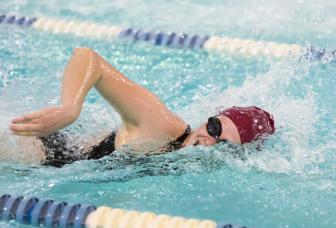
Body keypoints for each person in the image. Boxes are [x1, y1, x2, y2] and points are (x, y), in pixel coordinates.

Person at [9, 48, 275, 167]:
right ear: (210, 118)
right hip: (38, 149)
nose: (209, 139)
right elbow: (88, 57)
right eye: (215, 126)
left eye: (224, 143)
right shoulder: (160, 124)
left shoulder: (187, 165)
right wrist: (69, 108)